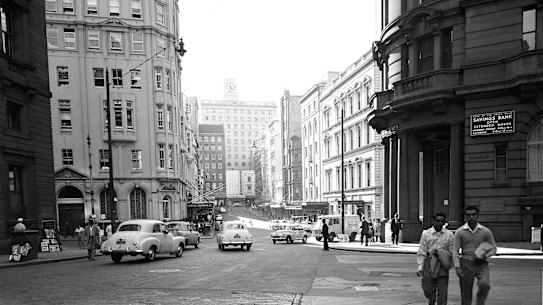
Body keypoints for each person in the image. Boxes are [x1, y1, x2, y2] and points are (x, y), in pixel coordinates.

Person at [453, 205, 497, 305]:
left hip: (481, 263)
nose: (471, 217)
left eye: (474, 214)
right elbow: (455, 250)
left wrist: (485, 256)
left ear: (478, 216)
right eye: (468, 215)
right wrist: (457, 267)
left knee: (485, 284)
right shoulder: (460, 232)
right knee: (466, 291)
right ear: (465, 217)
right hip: (466, 262)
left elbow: (493, 247)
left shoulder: (485, 231)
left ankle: (480, 303)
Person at [417, 212, 454, 305]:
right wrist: (420, 267)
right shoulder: (426, 234)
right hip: (429, 262)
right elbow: (422, 251)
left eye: (442, 221)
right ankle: (431, 298)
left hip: (442, 263)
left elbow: (452, 250)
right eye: (437, 221)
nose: (440, 223)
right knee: (428, 288)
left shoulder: (449, 235)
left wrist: (443, 254)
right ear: (433, 221)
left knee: (443, 290)